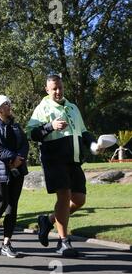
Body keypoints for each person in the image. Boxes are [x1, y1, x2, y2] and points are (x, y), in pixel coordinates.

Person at [26, 75, 104, 257]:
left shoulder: (73, 107)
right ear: (47, 90)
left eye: (60, 87)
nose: (58, 91)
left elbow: (83, 131)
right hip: (54, 160)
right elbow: (32, 133)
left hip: (74, 159)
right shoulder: (42, 108)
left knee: (79, 199)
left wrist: (94, 145)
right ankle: (63, 242)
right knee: (64, 197)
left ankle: (47, 221)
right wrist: (50, 126)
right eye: (54, 89)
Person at [0, 93, 29, 258]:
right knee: (1, 203)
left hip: (17, 169)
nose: (9, 106)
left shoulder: (15, 125)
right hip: (0, 169)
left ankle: (6, 243)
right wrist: (11, 158)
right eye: (6, 104)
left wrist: (20, 158)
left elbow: (24, 143)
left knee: (12, 206)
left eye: (8, 103)